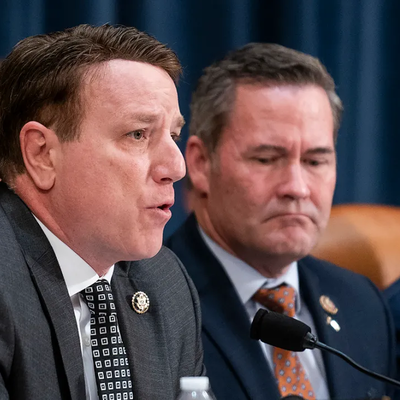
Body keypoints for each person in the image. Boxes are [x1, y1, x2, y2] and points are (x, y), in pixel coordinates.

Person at [166, 43, 396, 399]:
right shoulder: (148, 304)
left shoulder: (362, 304)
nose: (297, 188)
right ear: (200, 164)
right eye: (266, 159)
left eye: (315, 161)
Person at [0, 24, 204, 400]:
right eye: (138, 134)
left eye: (173, 136)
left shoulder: (164, 282)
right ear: (42, 154)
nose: (177, 168)